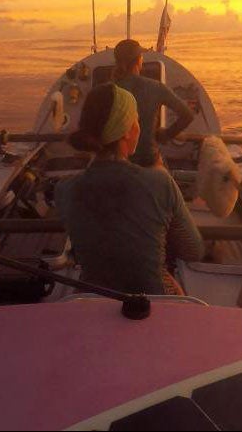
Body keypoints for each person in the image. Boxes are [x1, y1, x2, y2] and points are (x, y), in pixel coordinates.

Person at [55, 83, 203, 295]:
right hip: (150, 303)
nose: (139, 126)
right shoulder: (160, 182)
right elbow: (193, 250)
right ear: (126, 131)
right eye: (136, 120)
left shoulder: (64, 190)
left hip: (93, 301)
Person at [112, 38, 195, 168]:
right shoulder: (156, 87)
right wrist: (166, 135)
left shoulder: (106, 90)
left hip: (118, 162)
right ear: (139, 60)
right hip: (148, 160)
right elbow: (188, 115)